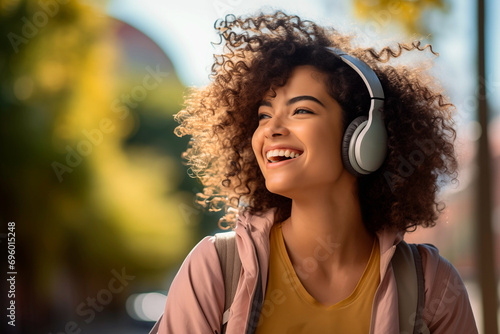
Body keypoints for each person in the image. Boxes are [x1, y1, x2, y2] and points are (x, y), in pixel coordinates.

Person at [156, 10, 477, 334]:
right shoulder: (216, 269)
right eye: (264, 115)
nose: (271, 130)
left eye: (301, 110)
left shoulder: (432, 287)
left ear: (365, 137)